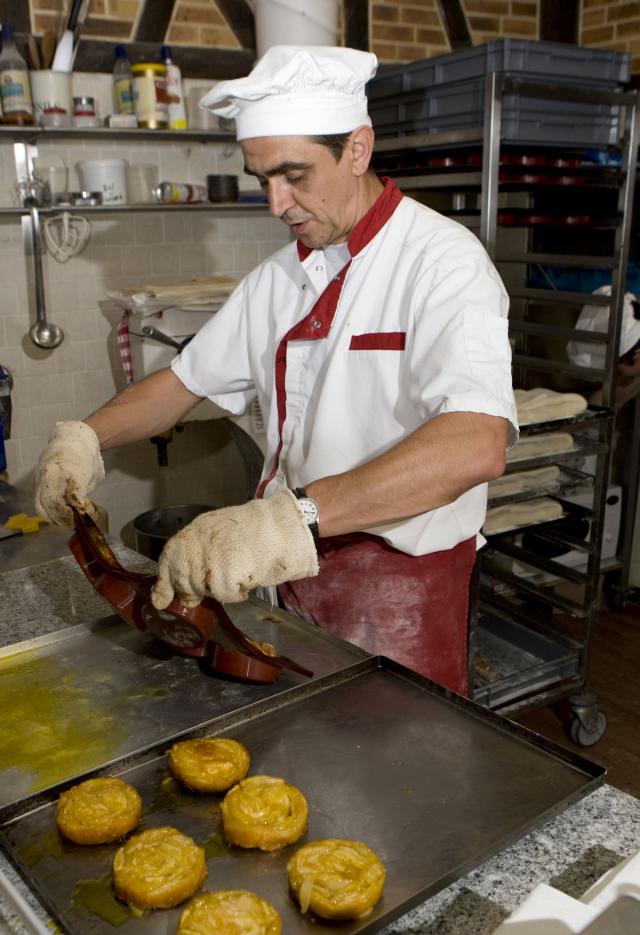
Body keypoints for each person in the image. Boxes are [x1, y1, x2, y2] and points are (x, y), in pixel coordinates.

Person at [35, 45, 518, 697]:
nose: (274, 204)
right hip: (287, 567)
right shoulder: (277, 278)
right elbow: (184, 383)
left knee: (400, 764)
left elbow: (476, 444)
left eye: (293, 175)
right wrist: (85, 437)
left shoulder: (442, 264)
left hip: (399, 581)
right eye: (262, 178)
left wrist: (289, 519)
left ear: (357, 148)